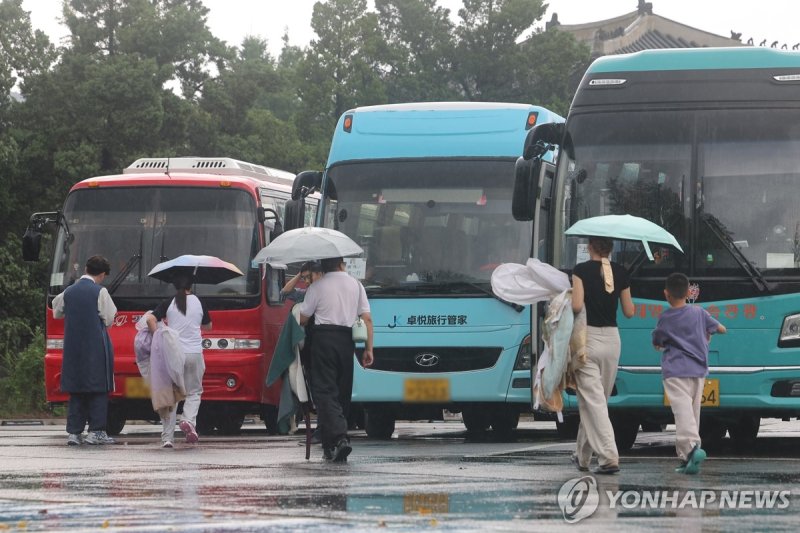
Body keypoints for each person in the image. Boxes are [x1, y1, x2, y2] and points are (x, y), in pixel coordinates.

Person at [298, 257, 374, 462]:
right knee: (342, 390)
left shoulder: (317, 286)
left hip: (322, 340)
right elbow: (366, 318)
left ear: (323, 266)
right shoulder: (356, 285)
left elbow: (303, 317)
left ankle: (339, 438)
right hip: (346, 340)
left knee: (324, 391)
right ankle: (330, 445)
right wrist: (368, 349)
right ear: (342, 264)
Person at [570, 236, 635, 474]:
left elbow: (576, 306)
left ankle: (608, 456)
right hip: (612, 341)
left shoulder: (581, 270)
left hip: (588, 339)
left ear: (589, 248)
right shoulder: (621, 272)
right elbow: (629, 311)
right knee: (596, 401)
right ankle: (582, 456)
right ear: (611, 249)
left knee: (593, 401)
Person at [652, 272, 726, 474]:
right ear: (689, 292)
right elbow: (721, 329)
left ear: (666, 294)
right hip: (698, 370)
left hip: (675, 371)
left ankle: (693, 448)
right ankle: (686, 459)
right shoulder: (700, 313)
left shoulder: (665, 317)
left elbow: (657, 341)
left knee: (682, 412)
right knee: (693, 413)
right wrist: (708, 332)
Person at [52, 255, 117, 446]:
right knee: (98, 388)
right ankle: (96, 431)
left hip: (73, 347)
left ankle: (74, 433)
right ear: (102, 274)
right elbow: (109, 318)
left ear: (86, 269)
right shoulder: (100, 291)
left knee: (76, 388)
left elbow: (56, 312)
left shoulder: (69, 291)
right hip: (95, 346)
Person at [146, 274, 211, 448]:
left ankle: (167, 438)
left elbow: (150, 319)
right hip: (194, 354)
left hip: (174, 354)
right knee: (194, 392)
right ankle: (188, 421)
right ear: (192, 285)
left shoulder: (170, 302)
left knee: (172, 395)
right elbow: (208, 325)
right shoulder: (199, 302)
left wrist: (157, 336)